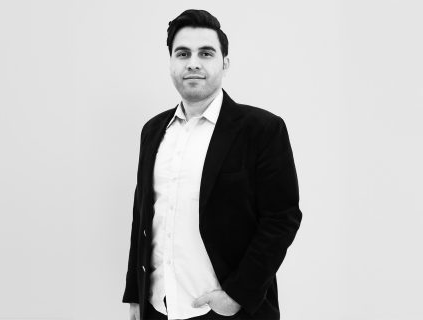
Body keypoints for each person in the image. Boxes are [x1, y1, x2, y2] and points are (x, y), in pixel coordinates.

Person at [122, 9, 302, 320]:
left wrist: (236, 296)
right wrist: (135, 294)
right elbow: (142, 217)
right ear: (171, 64)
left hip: (225, 310)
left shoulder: (261, 129)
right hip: (159, 306)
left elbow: (282, 218)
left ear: (224, 63)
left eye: (205, 53)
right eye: (183, 53)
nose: (193, 62)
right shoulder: (153, 131)